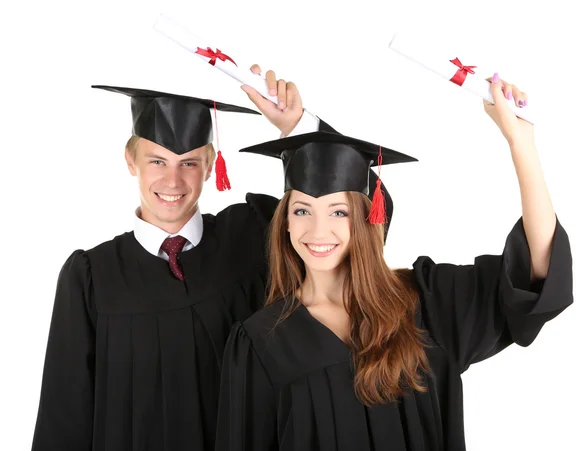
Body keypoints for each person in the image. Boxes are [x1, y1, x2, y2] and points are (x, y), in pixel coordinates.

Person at [30, 65, 392, 451]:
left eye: (188, 163)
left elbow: (363, 222)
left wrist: (299, 129)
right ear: (130, 161)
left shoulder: (255, 233)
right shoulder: (91, 276)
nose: (173, 182)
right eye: (157, 161)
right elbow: (63, 415)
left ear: (210, 165)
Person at [214, 73, 573, 450]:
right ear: (284, 223)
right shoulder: (260, 342)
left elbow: (538, 269)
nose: (318, 230)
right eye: (302, 210)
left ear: (368, 221)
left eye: (339, 213)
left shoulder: (427, 305)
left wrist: (521, 143)